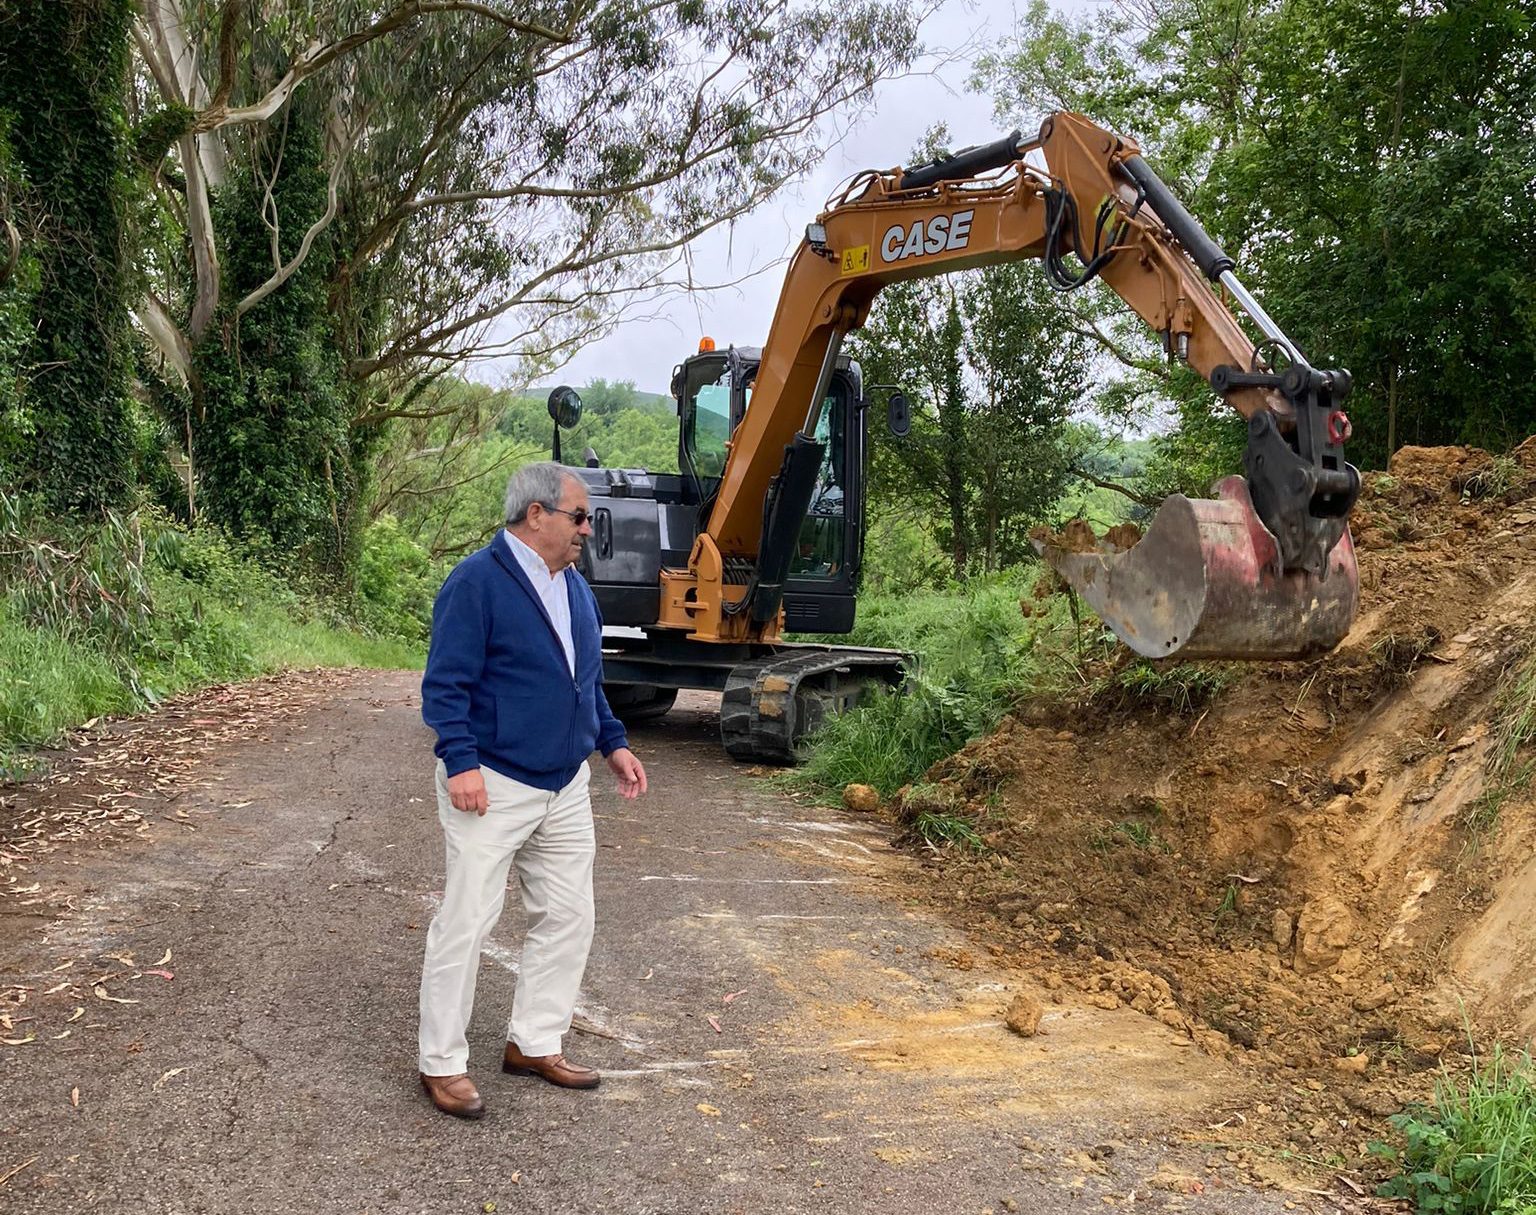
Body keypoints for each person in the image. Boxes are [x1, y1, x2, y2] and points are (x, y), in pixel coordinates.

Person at [417, 461, 648, 1120]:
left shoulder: (575, 587)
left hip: (565, 783)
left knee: (571, 914)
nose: (587, 528)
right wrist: (459, 761)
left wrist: (614, 743)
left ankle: (535, 1041)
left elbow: (587, 681)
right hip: (491, 778)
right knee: (467, 921)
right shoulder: (476, 582)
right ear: (536, 514)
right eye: (578, 515)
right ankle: (440, 1061)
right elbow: (445, 684)